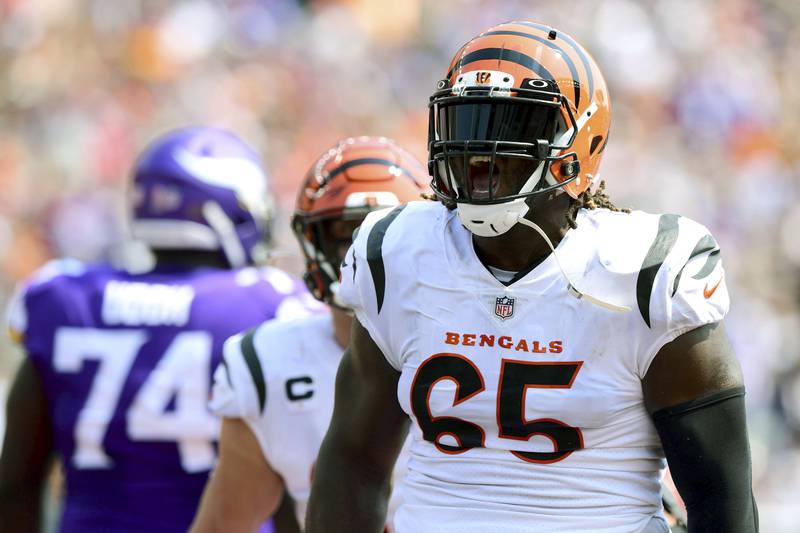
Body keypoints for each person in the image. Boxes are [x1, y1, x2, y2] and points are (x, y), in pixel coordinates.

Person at [306, 21, 758, 533]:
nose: (480, 154)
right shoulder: (398, 253)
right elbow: (353, 460)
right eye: (467, 125)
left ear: (579, 146)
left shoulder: (646, 274)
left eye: (513, 128)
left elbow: (722, 504)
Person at [0, 127, 316, 533]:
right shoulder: (267, 305)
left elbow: (15, 483)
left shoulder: (66, 298)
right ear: (229, 212)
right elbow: (293, 481)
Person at [189, 136, 429, 533]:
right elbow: (221, 526)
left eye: (385, 234)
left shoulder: (476, 340)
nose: (361, 254)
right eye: (343, 234)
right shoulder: (269, 362)